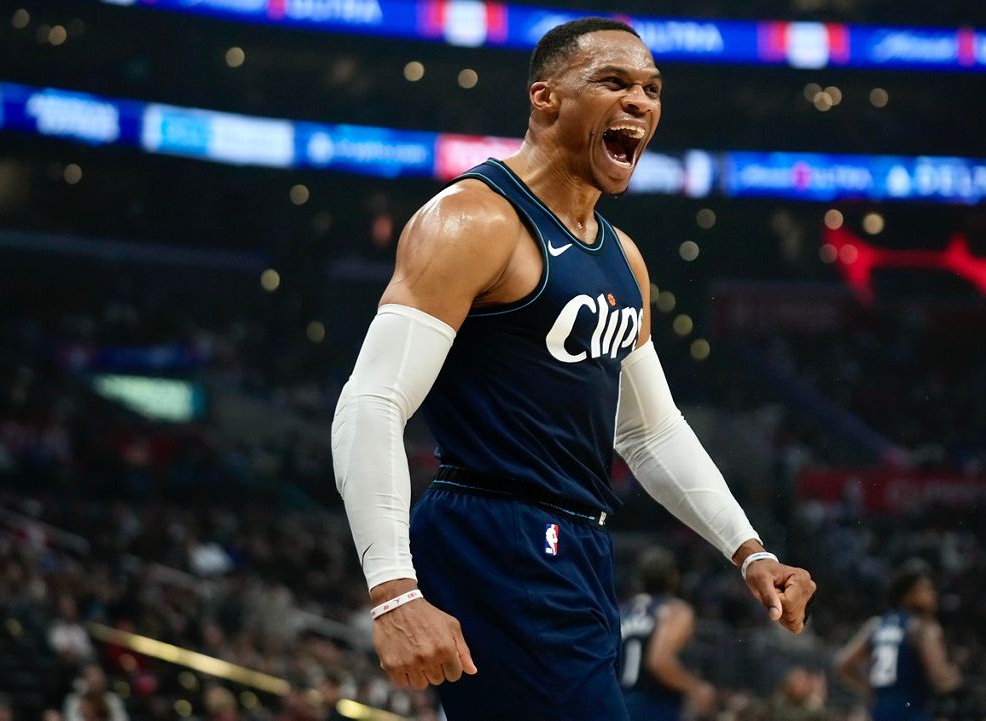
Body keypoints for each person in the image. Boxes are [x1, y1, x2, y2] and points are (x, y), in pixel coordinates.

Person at [330, 16, 817, 720]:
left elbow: (650, 431)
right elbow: (370, 401)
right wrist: (394, 591)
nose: (641, 102)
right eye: (614, 82)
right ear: (546, 98)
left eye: (651, 88)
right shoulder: (474, 220)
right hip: (502, 533)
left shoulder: (624, 257)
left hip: (576, 543)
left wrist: (749, 551)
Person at [836, 563, 961, 721]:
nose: (932, 594)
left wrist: (872, 688)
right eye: (926, 589)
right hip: (911, 712)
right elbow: (939, 678)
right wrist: (956, 676)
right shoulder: (922, 627)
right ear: (909, 594)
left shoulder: (876, 624)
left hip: (878, 711)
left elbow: (843, 663)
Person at [618, 547, 716, 721]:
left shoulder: (621, 612)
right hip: (654, 707)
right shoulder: (675, 610)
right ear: (673, 576)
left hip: (617, 705)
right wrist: (695, 687)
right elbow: (659, 660)